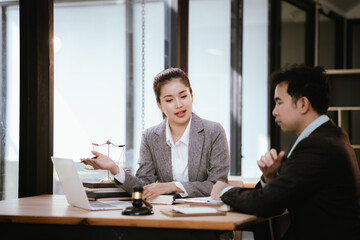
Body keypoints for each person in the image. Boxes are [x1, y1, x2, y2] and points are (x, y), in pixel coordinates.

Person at [211, 64, 360, 240]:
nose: (274, 112)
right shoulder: (333, 135)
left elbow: (266, 204)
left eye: (279, 102)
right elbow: (278, 200)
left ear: (303, 104)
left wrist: (224, 191)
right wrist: (270, 178)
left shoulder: (317, 146)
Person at [81, 67, 230, 199]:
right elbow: (144, 186)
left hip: (206, 220)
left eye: (183, 96)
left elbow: (218, 185)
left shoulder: (213, 131)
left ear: (191, 95)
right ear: (160, 105)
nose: (179, 105)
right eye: (169, 100)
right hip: (165, 216)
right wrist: (114, 168)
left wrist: (173, 186)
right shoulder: (150, 136)